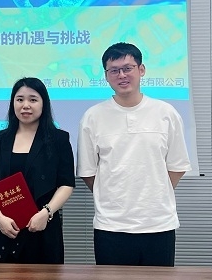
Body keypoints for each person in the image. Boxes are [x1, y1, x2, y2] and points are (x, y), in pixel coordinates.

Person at [77, 42, 192, 266]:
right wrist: (113, 194)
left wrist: (154, 191)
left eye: (128, 68)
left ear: (141, 70)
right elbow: (88, 172)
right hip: (111, 226)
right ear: (106, 76)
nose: (121, 75)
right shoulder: (93, 117)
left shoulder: (166, 113)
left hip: (158, 224)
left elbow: (177, 166)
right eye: (114, 70)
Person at [0, 77, 75, 263]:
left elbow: (66, 183)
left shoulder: (59, 139)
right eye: (20, 99)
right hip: (6, 228)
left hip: (43, 227)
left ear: (43, 104)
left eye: (33, 99)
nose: (26, 105)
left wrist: (46, 213)